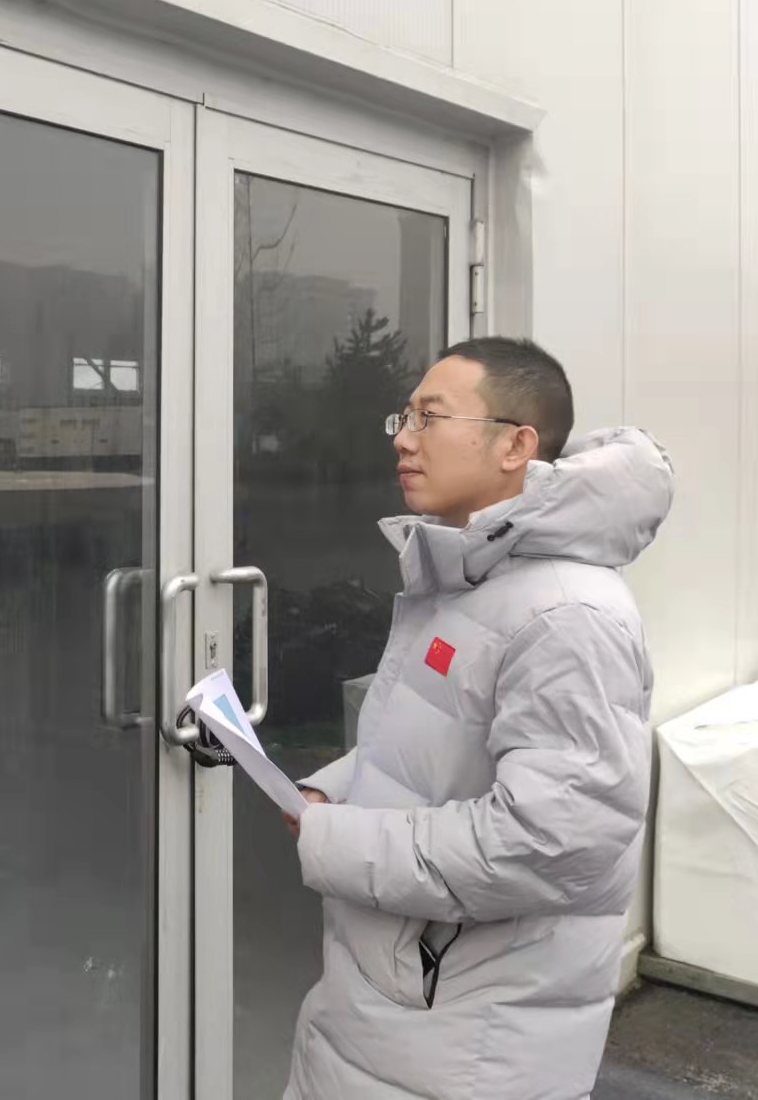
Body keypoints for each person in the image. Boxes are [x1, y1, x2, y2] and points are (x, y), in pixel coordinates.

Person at [282, 338, 674, 1100]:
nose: (403, 438)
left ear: (515, 446)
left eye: (429, 417)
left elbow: (548, 844)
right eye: (403, 417)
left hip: (463, 1041)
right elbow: (442, 739)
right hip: (397, 1010)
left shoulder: (566, 615)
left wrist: (336, 839)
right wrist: (338, 788)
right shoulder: (476, 577)